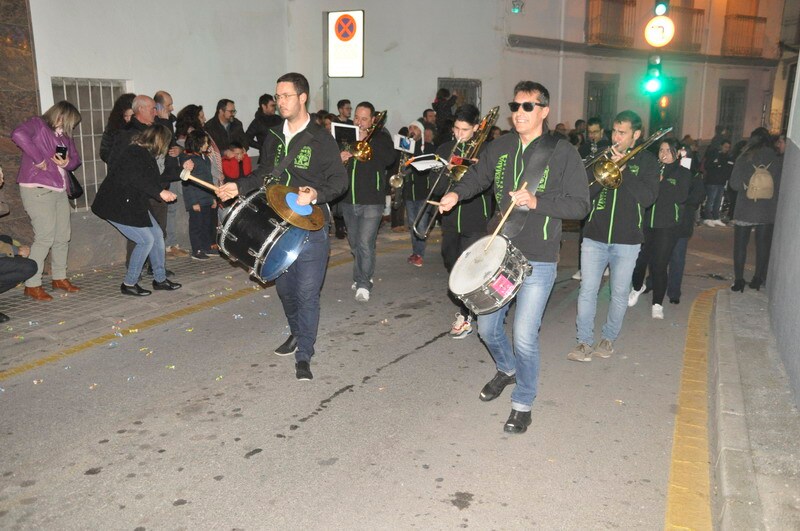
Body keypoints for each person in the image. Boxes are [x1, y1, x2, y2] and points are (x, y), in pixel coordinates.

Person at [438, 81, 589, 434]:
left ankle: (523, 401)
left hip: (538, 258)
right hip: (499, 254)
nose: (518, 113)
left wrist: (538, 202)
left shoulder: (562, 151)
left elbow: (580, 205)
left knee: (524, 335)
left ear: (544, 111)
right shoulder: (501, 146)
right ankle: (506, 369)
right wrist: (456, 196)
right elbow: (477, 177)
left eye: (527, 107)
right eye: (515, 105)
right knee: (488, 329)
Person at [216, 72, 348, 381]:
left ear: (303, 98)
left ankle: (305, 353)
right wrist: (237, 186)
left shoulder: (321, 139)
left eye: (286, 96)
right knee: (285, 289)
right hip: (276, 224)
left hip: (311, 224)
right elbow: (264, 174)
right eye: (278, 96)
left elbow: (339, 181)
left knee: (306, 291)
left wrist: (318, 193)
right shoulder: (273, 136)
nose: (280, 101)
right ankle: (297, 331)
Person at [568, 110, 659, 362]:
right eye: (614, 132)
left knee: (619, 293)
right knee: (587, 290)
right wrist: (605, 169)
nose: (616, 138)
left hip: (627, 240)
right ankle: (583, 342)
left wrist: (625, 171)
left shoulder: (649, 162)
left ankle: (608, 339)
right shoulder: (601, 156)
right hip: (595, 236)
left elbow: (648, 198)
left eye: (622, 133)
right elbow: (585, 192)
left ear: (636, 135)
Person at [92, 124, 187, 296]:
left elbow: (154, 178)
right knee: (145, 241)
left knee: (157, 235)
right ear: (159, 141)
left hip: (132, 203)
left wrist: (180, 172)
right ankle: (129, 283)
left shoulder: (144, 154)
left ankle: (160, 279)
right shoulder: (134, 153)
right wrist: (160, 192)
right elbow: (137, 178)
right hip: (116, 204)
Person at [11, 101, 84, 301]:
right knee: (45, 237)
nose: (72, 127)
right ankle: (32, 284)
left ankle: (59, 278)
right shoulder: (38, 124)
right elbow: (18, 134)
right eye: (70, 122)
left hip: (60, 189)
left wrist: (67, 162)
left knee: (63, 236)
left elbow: (76, 159)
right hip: (37, 188)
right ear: (60, 115)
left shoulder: (64, 135)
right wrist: (38, 159)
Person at [433, 104, 495, 339]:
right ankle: (470, 307)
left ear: (477, 128)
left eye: (465, 129)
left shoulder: (487, 151)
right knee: (451, 264)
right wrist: (446, 171)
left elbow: (492, 191)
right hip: (449, 220)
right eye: (457, 129)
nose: (460, 134)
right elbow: (436, 188)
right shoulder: (446, 149)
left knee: (470, 270)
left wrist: (479, 171)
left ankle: (465, 314)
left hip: (475, 219)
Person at [627, 138, 690, 319]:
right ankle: (638, 287)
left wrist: (661, 182)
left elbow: (680, 196)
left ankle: (657, 303)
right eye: (661, 150)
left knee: (659, 265)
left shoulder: (682, 173)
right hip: (646, 223)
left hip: (667, 225)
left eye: (669, 150)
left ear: (677, 153)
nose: (664, 154)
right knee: (639, 262)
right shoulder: (652, 169)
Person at [340, 102, 394, 303]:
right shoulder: (345, 138)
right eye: (357, 117)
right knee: (354, 244)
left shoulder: (381, 138)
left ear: (372, 121)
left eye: (364, 119)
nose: (359, 122)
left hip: (372, 200)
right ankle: (362, 274)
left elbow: (389, 159)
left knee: (365, 243)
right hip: (348, 199)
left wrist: (366, 142)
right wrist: (341, 157)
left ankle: (364, 283)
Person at [728, 127, 782, 292]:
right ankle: (758, 279)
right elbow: (779, 186)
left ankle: (739, 280)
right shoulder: (776, 157)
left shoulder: (744, 156)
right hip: (767, 209)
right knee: (763, 245)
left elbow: (734, 184)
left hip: (746, 207)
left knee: (740, 245)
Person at [180, 130, 218, 260]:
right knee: (197, 225)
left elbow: (209, 179)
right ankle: (197, 249)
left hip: (207, 198)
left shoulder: (205, 158)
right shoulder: (188, 160)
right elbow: (187, 183)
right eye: (206, 142)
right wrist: (193, 201)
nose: (208, 145)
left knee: (207, 224)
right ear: (197, 143)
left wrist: (213, 197)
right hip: (197, 200)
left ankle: (207, 247)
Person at [403, 120, 434, 267]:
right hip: (409, 192)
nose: (411, 130)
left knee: (421, 226)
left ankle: (419, 254)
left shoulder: (428, 147)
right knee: (412, 224)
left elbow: (429, 167)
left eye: (415, 127)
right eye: (410, 127)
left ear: (421, 131)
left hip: (424, 192)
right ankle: (415, 252)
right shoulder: (406, 147)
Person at [702, 140, 734, 226]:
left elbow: (729, 167)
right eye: (725, 147)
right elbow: (708, 166)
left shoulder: (727, 156)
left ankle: (715, 217)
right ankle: (708, 217)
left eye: (728, 147)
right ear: (721, 146)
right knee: (711, 200)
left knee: (718, 200)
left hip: (721, 181)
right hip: (712, 181)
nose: (727, 149)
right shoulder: (714, 154)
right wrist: (718, 166)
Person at [99, 93, 135, 164]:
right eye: (125, 116)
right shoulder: (113, 127)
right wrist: (117, 162)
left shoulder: (140, 127)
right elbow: (104, 151)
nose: (129, 119)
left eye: (131, 115)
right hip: (118, 169)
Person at [246, 94, 282, 162]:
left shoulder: (279, 119)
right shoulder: (257, 122)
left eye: (275, 105)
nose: (275, 108)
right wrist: (262, 147)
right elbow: (247, 138)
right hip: (266, 159)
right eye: (272, 105)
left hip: (281, 157)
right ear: (264, 106)